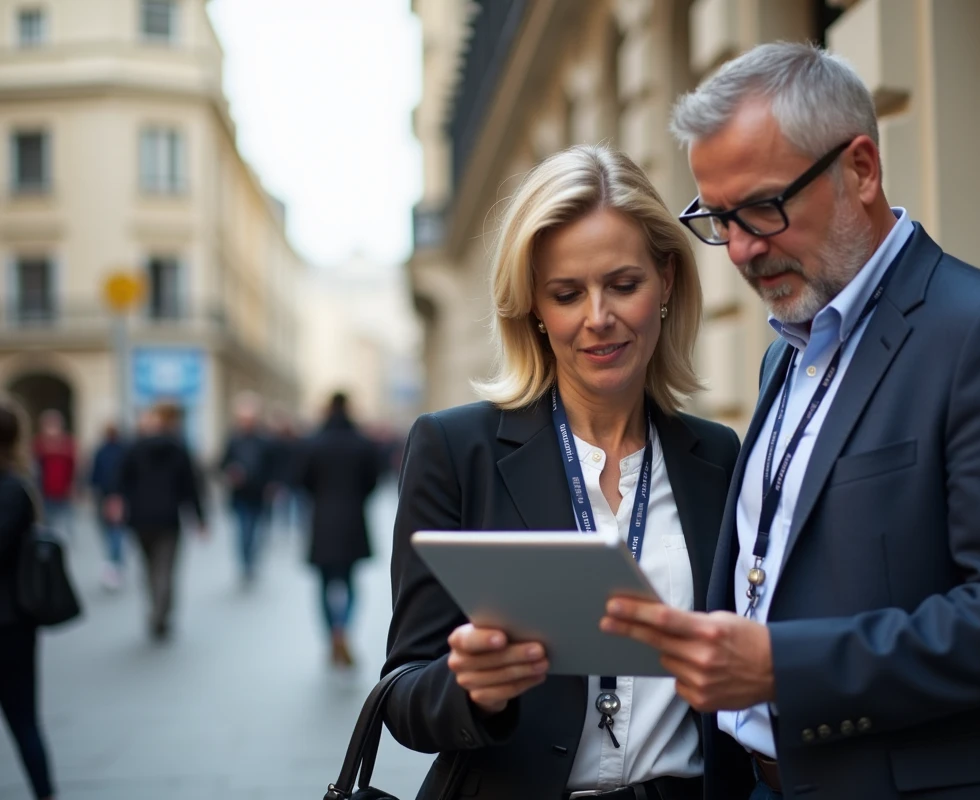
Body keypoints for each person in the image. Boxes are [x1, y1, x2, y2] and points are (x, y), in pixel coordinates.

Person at [599, 42, 980, 800]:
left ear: (860, 168)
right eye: (720, 218)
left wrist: (780, 666)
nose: (740, 248)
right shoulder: (782, 357)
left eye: (763, 208)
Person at [381, 144, 740, 800]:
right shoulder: (454, 450)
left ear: (665, 282)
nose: (597, 317)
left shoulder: (719, 458)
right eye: (567, 294)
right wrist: (472, 687)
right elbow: (403, 697)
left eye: (623, 284)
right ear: (535, 311)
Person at [0, 396, 57, 800]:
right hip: (15, 621)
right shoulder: (20, 489)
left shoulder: (15, 490)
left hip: (10, 622)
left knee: (24, 721)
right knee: (24, 720)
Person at [298, 392, 379, 668]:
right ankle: (344, 629)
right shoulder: (361, 443)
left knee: (324, 583)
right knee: (350, 581)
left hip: (322, 520)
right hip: (353, 520)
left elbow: (302, 480)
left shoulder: (314, 442)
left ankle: (332, 633)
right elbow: (373, 480)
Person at [117, 402, 206, 641]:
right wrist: (200, 517)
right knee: (165, 569)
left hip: (140, 517)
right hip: (168, 517)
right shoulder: (178, 448)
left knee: (148, 568)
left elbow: (122, 480)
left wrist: (118, 502)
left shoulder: (135, 447)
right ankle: (161, 613)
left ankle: (155, 609)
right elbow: (191, 486)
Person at [219, 392, 274, 585]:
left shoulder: (264, 440)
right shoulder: (233, 439)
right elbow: (222, 463)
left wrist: (271, 485)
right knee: (243, 531)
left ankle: (251, 561)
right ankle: (245, 563)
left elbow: (272, 465)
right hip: (240, 494)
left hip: (258, 494)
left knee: (256, 531)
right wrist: (230, 472)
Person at [89, 423, 128, 590]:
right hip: (117, 496)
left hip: (108, 496)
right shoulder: (124, 450)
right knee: (115, 531)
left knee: (112, 531)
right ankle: (115, 563)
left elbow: (94, 475)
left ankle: (113, 563)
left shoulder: (103, 450)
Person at [31, 409, 74, 540]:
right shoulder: (38, 443)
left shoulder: (67, 443)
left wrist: (73, 486)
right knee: (47, 526)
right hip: (44, 491)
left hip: (63, 491)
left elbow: (73, 466)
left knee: (63, 527)